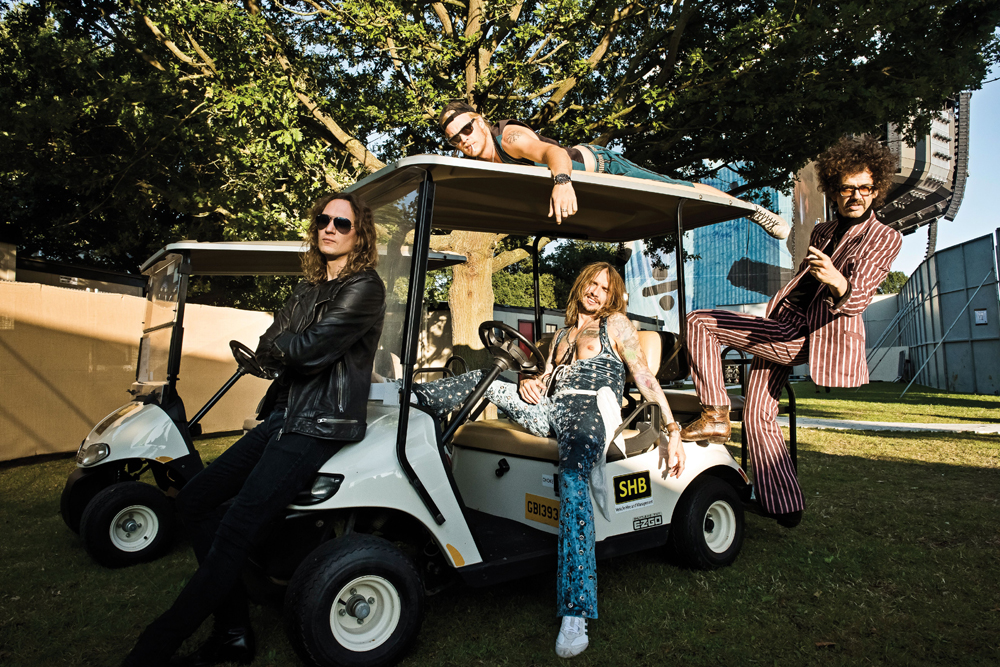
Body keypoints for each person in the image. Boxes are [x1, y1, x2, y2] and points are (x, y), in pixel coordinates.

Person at [122, 193, 386, 667]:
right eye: (323, 219)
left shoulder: (364, 287)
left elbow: (307, 351)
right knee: (196, 500)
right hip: (283, 417)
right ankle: (235, 631)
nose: (329, 228)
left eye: (341, 223)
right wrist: (291, 344)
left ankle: (154, 648)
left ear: (358, 233)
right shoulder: (306, 290)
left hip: (318, 425)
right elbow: (269, 351)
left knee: (237, 527)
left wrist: (291, 344)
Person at [410, 262, 685, 659]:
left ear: (612, 296)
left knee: (573, 481)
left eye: (604, 288)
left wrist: (671, 427)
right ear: (581, 285)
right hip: (550, 411)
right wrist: (530, 382)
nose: (595, 291)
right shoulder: (560, 334)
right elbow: (545, 378)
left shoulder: (616, 325)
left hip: (589, 412)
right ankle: (411, 399)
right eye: (590, 283)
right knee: (483, 379)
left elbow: (643, 375)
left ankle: (576, 612)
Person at [680, 135, 902, 528]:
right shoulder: (822, 231)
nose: (857, 196)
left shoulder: (884, 237)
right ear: (834, 189)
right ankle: (785, 506)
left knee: (700, 322)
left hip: (808, 334)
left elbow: (857, 300)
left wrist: (836, 280)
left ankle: (714, 413)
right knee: (758, 413)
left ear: (876, 190)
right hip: (782, 322)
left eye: (865, 188)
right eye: (848, 188)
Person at [437, 101, 789, 238]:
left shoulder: (510, 137)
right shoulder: (472, 161)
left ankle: (753, 210)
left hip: (604, 168)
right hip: (585, 189)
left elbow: (552, 152)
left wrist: (562, 182)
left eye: (467, 129)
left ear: (480, 121)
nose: (464, 141)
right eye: (455, 139)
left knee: (680, 189)